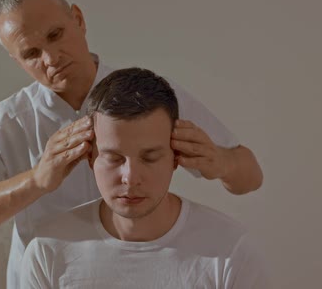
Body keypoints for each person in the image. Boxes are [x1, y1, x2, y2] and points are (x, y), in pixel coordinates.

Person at [0, 0, 264, 288]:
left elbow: (250, 177)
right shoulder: (1, 124)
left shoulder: (150, 97)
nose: (51, 59)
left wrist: (219, 161)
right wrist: (37, 180)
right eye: (31, 53)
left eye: (55, 34)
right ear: (16, 60)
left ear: (78, 19)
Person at [20, 67, 269, 288]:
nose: (130, 177)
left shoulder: (230, 250)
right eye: (114, 158)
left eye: (149, 158)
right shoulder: (48, 252)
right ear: (89, 157)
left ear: (176, 157)